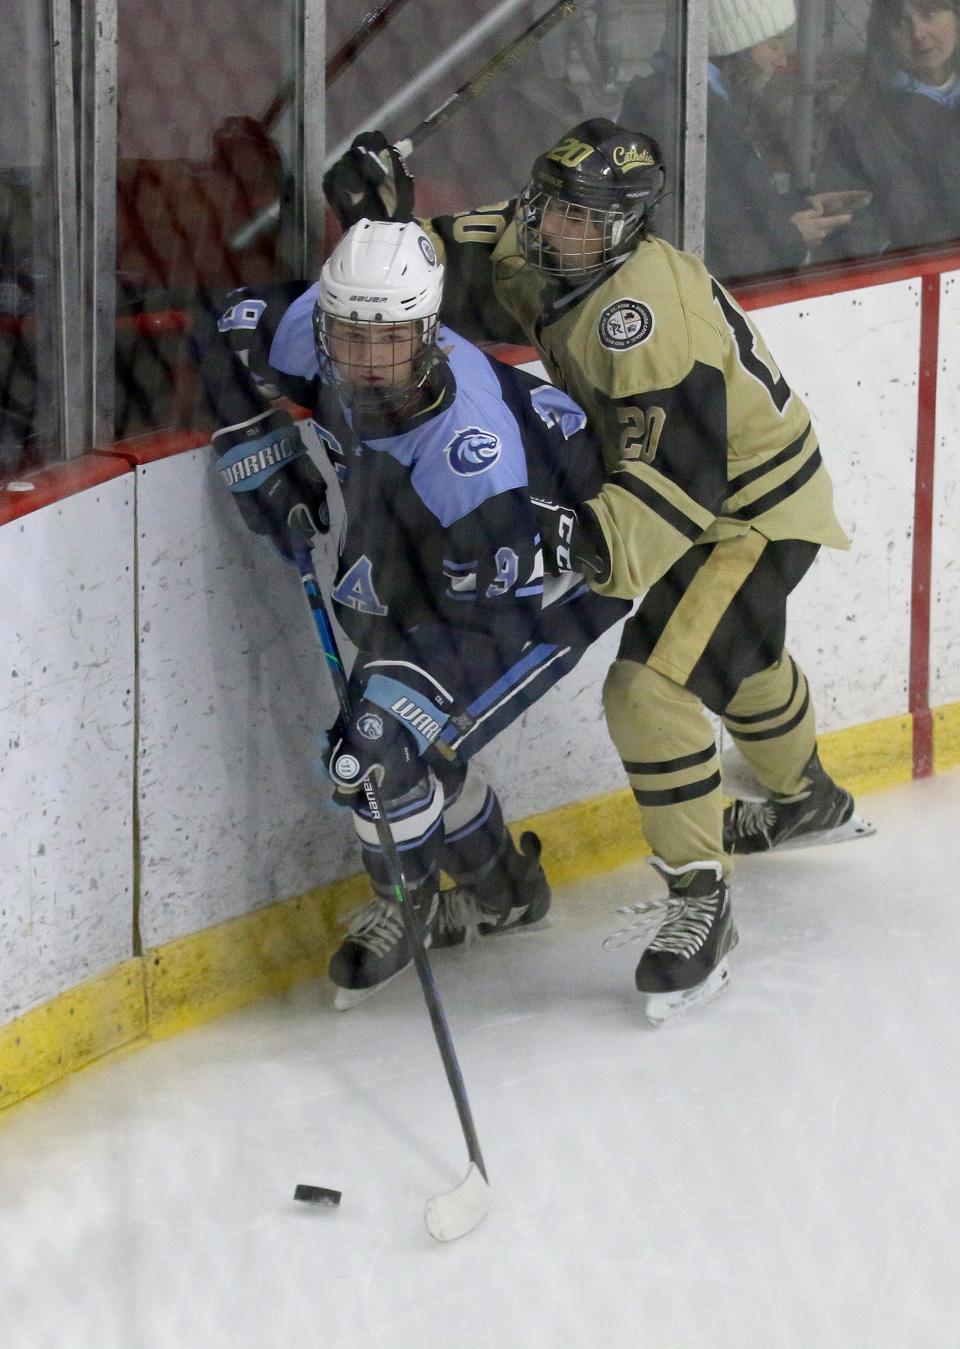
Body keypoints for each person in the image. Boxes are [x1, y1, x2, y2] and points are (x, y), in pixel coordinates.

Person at [324, 117, 874, 1024]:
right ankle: (807, 795)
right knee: (738, 662)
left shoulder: (645, 316)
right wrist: (378, 214)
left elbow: (681, 478)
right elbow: (429, 262)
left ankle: (703, 898)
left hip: (746, 513)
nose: (564, 232)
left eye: (592, 220)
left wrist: (579, 543)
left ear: (630, 229)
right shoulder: (536, 239)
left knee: (651, 690)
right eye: (557, 209)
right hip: (677, 491)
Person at [194, 218, 631, 1008]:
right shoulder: (314, 332)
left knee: (381, 743)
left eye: (389, 339)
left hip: (547, 583)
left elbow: (485, 624)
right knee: (400, 738)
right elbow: (216, 332)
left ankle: (407, 901)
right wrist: (253, 448)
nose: (364, 359)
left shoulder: (474, 456)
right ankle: (507, 892)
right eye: (349, 335)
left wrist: (390, 715)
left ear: (428, 332)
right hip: (423, 552)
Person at [619, 0, 853, 280]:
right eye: (773, 44)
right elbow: (714, 256)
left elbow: (731, 210)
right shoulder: (693, 119)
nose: (782, 61)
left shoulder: (700, 102)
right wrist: (793, 237)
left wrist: (797, 206)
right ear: (738, 46)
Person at [817, 0, 960, 258]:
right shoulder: (859, 120)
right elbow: (848, 232)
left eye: (929, 13)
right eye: (899, 22)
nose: (917, 33)